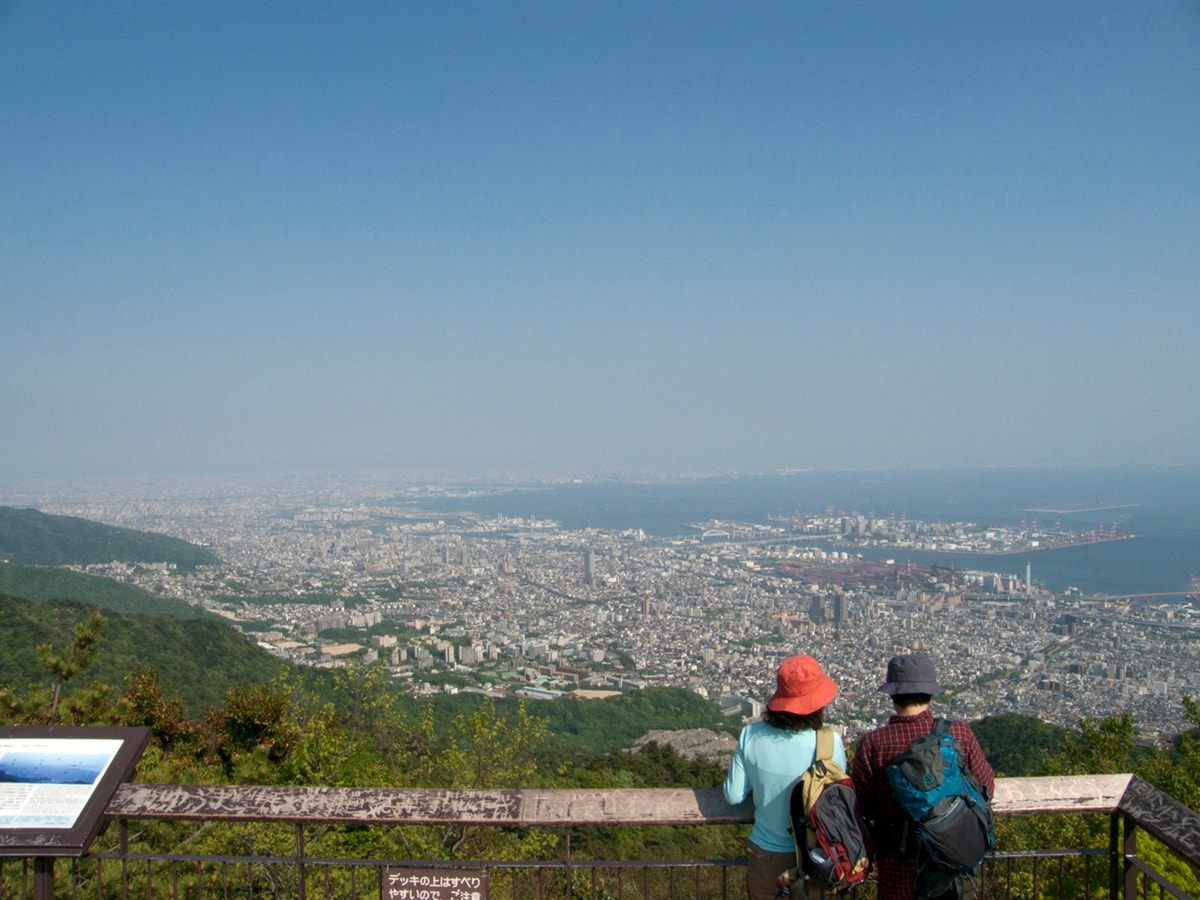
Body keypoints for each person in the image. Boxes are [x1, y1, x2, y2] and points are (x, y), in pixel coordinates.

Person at [850, 653, 995, 900]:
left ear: (892, 695)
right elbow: (985, 786)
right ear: (930, 693)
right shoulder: (959, 733)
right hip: (950, 860)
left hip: (898, 863)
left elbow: (863, 805)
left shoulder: (873, 743)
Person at [724, 655, 844, 900]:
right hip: (817, 856)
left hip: (767, 855)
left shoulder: (751, 735)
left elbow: (734, 795)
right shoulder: (830, 742)